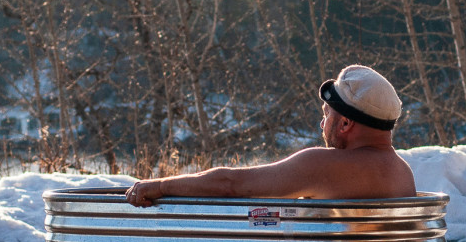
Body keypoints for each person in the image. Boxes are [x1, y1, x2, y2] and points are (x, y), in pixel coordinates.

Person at [125, 64, 417, 206]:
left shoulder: (323, 166)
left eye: (327, 114)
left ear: (345, 124)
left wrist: (161, 185)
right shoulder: (403, 173)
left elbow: (231, 184)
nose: (322, 123)